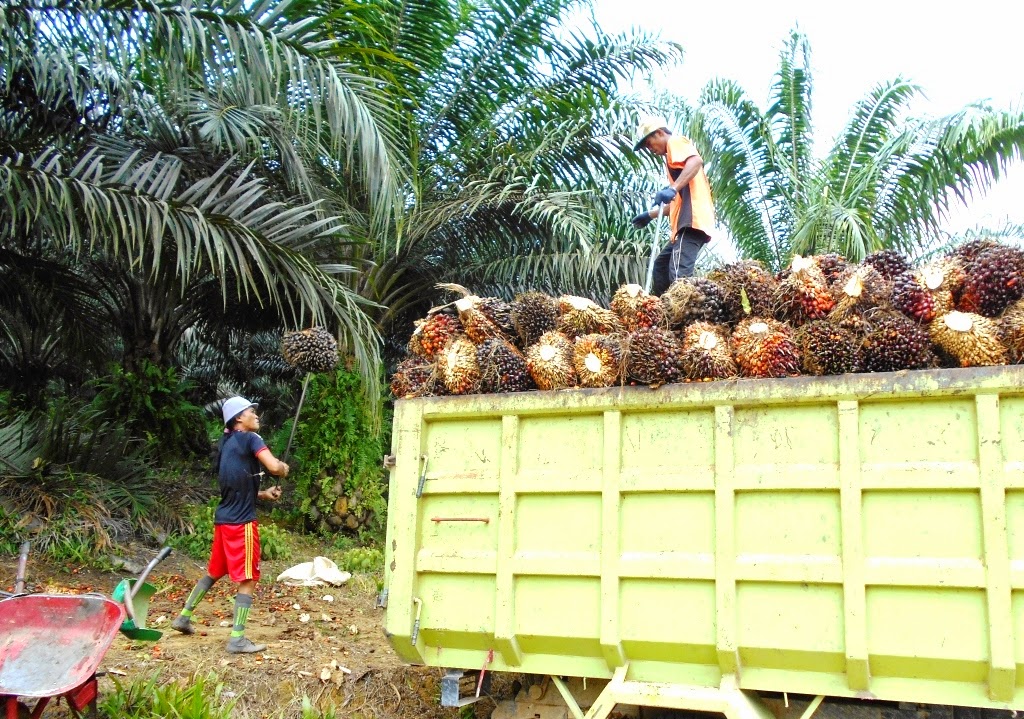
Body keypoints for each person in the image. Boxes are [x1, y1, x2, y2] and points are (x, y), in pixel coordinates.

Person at [170, 396, 289, 653]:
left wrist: (264, 494)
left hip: (223, 520)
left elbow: (235, 484)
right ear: (238, 418)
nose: (256, 415)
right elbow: (272, 465)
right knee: (249, 578)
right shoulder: (251, 439)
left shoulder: (227, 444)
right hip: (241, 524)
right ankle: (237, 639)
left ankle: (183, 617)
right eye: (251, 411)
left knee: (214, 572)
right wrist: (282, 469)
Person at [631, 116, 715, 295]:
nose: (650, 149)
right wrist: (649, 215)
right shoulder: (673, 161)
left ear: (660, 133)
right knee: (661, 266)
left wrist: (673, 188)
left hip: (692, 221)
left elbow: (696, 161)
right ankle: (665, 311)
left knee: (679, 275)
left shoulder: (675, 142)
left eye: (649, 143)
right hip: (683, 223)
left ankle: (684, 314)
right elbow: (676, 203)